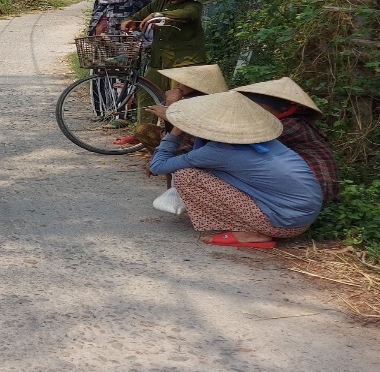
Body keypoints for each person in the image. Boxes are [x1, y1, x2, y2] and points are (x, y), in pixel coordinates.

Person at [148, 90, 323, 248]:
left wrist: (175, 132)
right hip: (302, 220)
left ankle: (249, 233)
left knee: (186, 176)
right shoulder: (262, 139)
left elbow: (157, 166)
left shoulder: (217, 151)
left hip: (282, 224)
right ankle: (254, 227)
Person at [115, 0, 211, 146]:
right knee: (145, 93)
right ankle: (143, 135)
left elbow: (186, 15)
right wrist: (128, 22)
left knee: (176, 101)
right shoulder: (158, 3)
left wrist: (159, 16)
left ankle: (177, 141)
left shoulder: (193, 6)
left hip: (184, 61)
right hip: (159, 59)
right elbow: (137, 16)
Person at [235, 77, 338, 205]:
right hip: (308, 188)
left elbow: (240, 141)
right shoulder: (292, 122)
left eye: (258, 107)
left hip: (314, 189)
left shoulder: (288, 126)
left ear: (275, 108)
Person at [139, 63, 228, 151]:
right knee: (144, 130)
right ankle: (162, 158)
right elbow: (167, 132)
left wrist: (170, 107)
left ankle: (167, 160)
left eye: (183, 82)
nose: (178, 84)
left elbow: (179, 134)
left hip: (202, 147)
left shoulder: (209, 103)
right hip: (182, 139)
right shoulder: (188, 98)